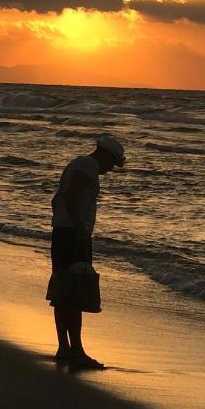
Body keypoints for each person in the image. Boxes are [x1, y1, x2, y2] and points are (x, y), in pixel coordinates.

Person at [47, 133, 125, 369]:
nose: (110, 169)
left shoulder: (76, 163)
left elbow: (57, 199)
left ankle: (64, 347)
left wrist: (62, 222)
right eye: (112, 163)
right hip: (73, 235)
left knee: (62, 290)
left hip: (62, 232)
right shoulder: (88, 167)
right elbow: (70, 197)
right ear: (105, 155)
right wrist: (81, 228)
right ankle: (77, 350)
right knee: (75, 291)